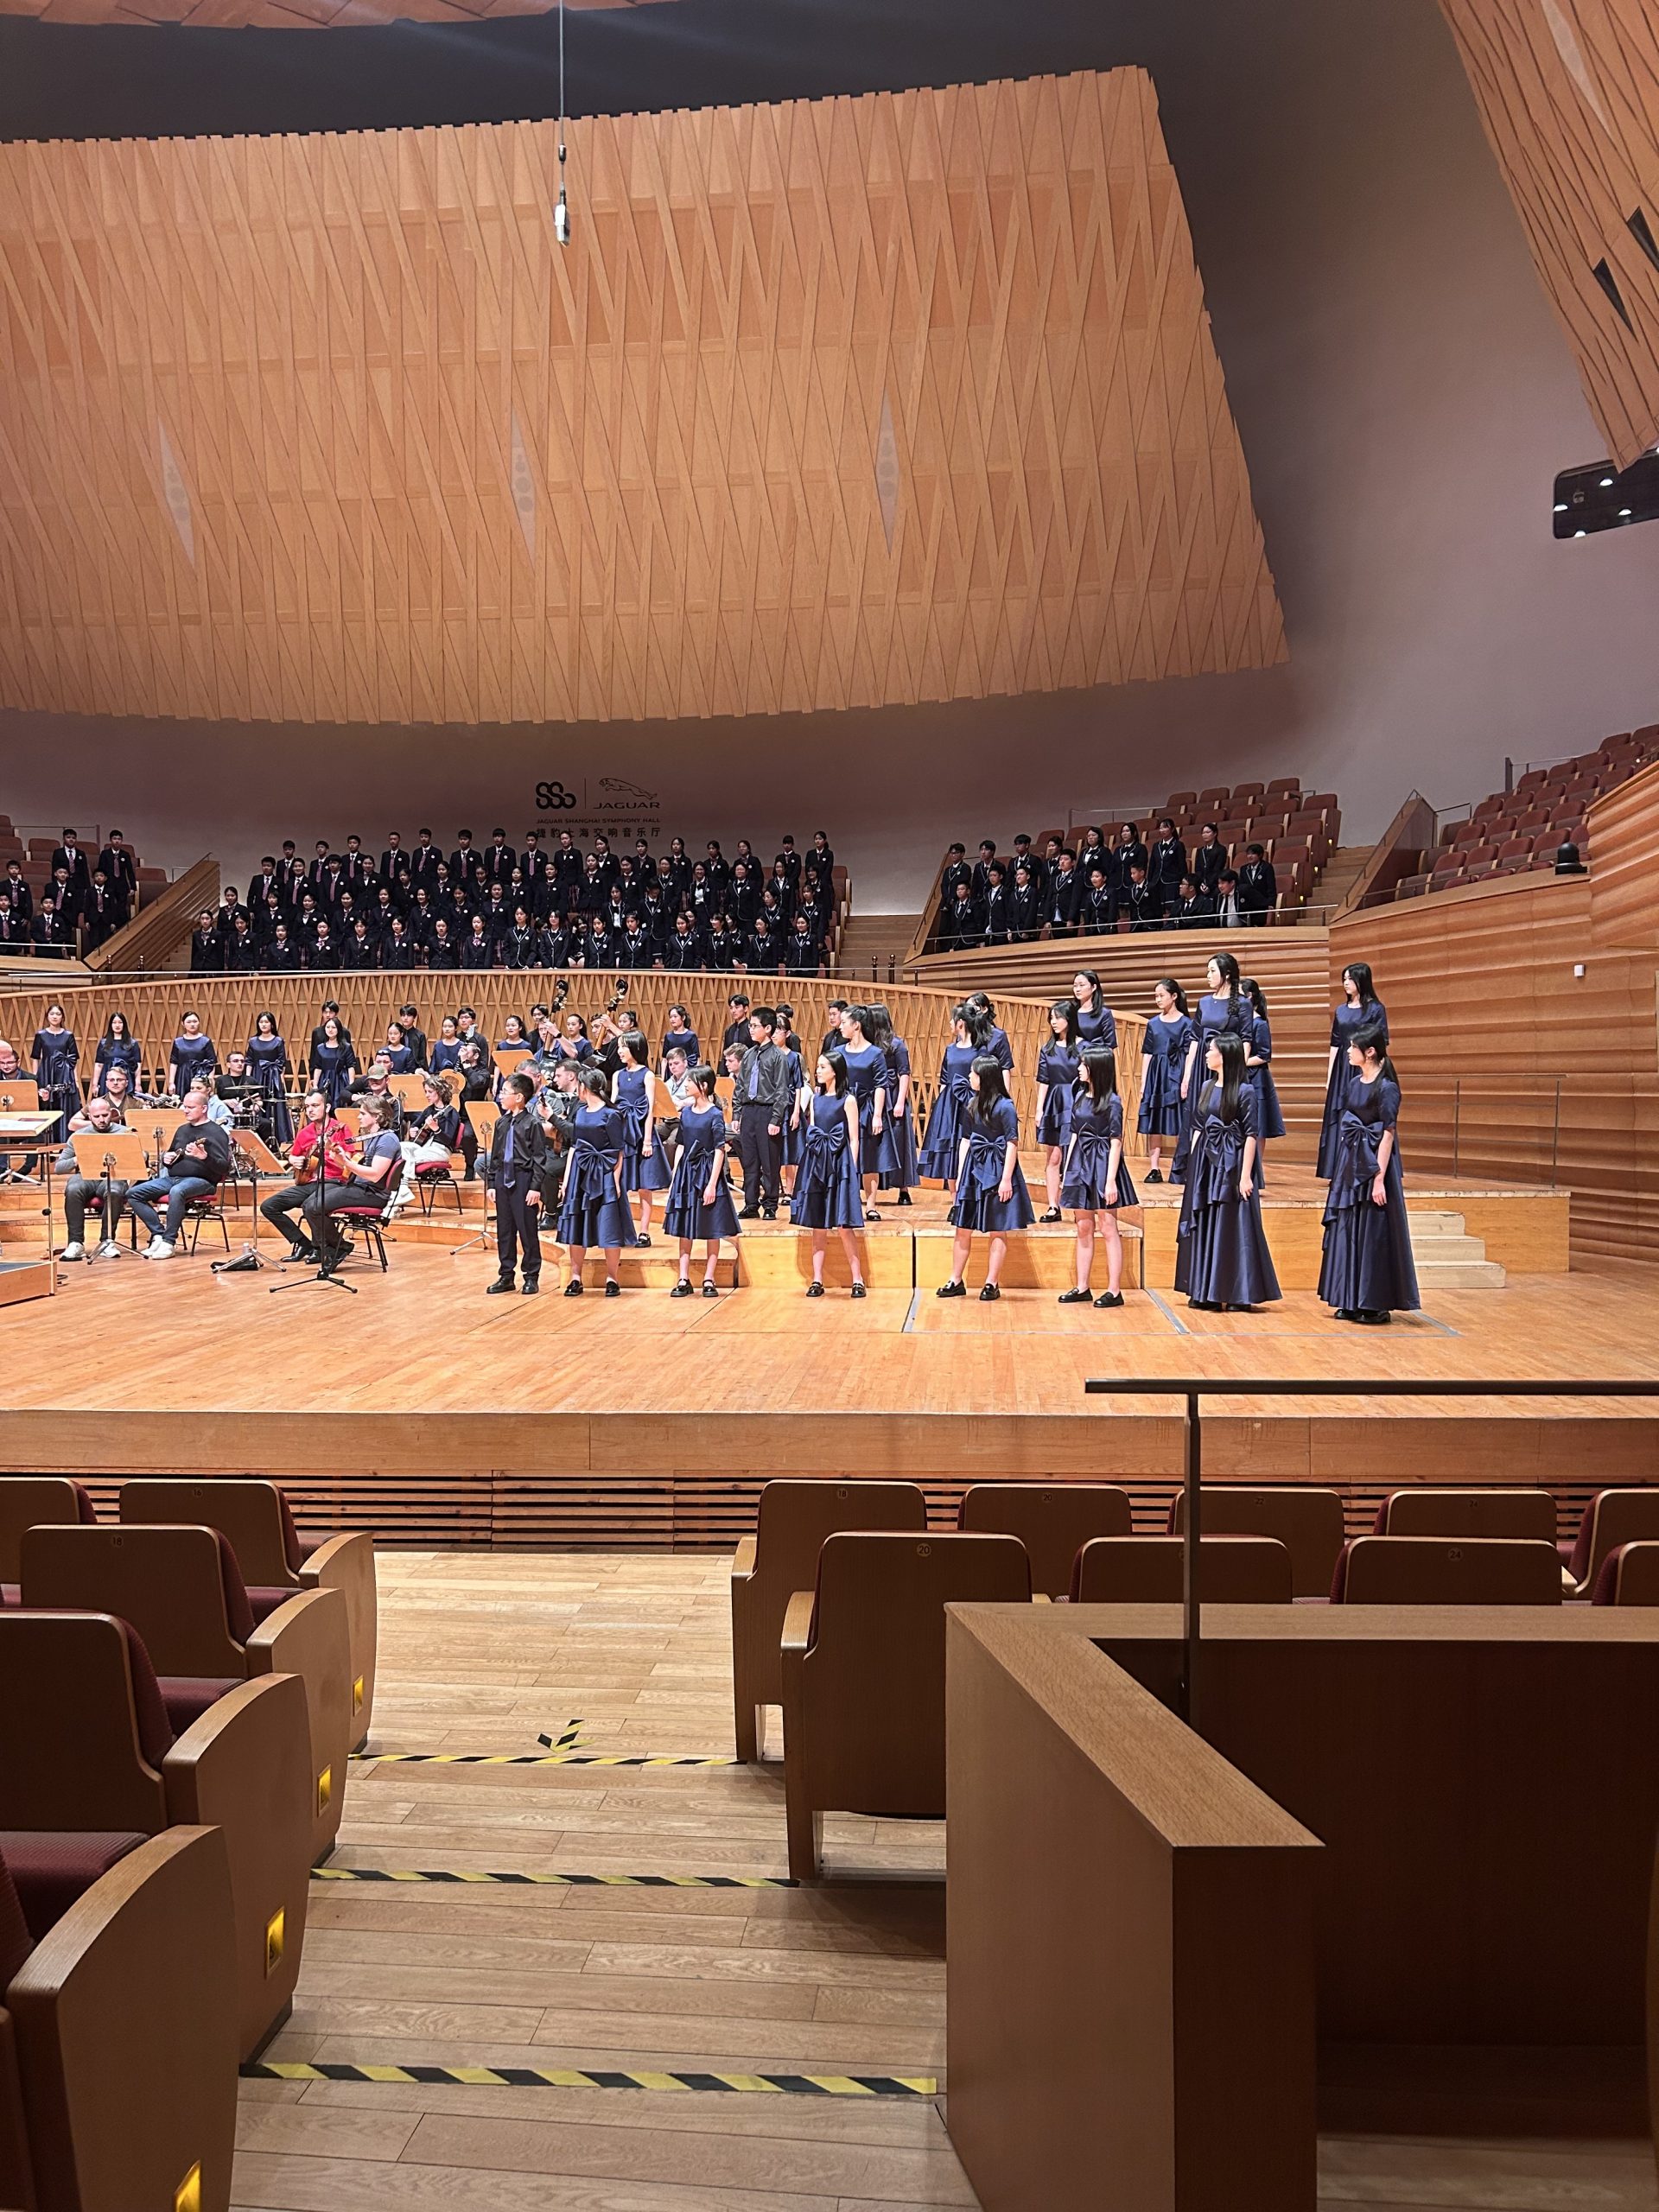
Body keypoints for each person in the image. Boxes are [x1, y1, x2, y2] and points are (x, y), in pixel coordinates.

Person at [1318, 1024, 1420, 1325]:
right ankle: (1350, 1298)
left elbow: (1388, 1134)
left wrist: (1378, 1179)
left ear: (1370, 1052)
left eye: (1353, 1047)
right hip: (1352, 1161)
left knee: (1374, 1232)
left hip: (1375, 1164)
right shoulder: (1353, 1082)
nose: (1348, 1051)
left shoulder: (1387, 1088)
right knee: (1349, 1228)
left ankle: (1374, 1303)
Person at [1173, 1035, 1281, 1312]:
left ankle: (1237, 1293)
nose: (1206, 1055)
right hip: (1207, 1163)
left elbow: (1251, 1135)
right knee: (1205, 1222)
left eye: (1211, 1051)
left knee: (1233, 1227)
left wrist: (1245, 1176)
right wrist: (1192, 1169)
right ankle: (1204, 1290)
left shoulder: (1245, 1091)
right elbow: (1198, 1129)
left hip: (1232, 1164)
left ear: (1225, 1056)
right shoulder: (1206, 1086)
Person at [938, 1057, 1033, 1300]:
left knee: (997, 1229)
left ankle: (992, 1283)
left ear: (985, 1077)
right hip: (973, 1169)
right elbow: (966, 1140)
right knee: (962, 1227)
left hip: (999, 1168)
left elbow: (1012, 1144)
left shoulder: (1006, 1107)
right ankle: (955, 1280)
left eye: (973, 1073)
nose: (969, 1077)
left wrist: (1006, 1179)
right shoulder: (971, 1104)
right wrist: (960, 1175)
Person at [1057, 1046, 1136, 1308]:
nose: (1079, 1068)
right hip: (1080, 1163)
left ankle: (1114, 1290)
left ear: (1097, 1068)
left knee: (1108, 1226)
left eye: (1084, 1064)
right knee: (1083, 1226)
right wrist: (1066, 1171)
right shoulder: (1080, 1094)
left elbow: (1116, 1142)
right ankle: (1082, 1286)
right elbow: (1075, 1135)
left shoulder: (1113, 1102)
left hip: (1103, 1164)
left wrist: (1110, 1180)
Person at [789, 1049, 867, 1297]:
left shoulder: (848, 1100)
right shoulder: (815, 1099)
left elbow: (854, 1139)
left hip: (839, 1164)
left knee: (844, 1226)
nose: (818, 1071)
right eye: (818, 1066)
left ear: (835, 1070)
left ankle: (858, 1279)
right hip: (817, 1162)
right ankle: (817, 1279)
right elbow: (813, 1131)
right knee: (818, 1224)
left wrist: (851, 1170)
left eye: (823, 1067)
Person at [124, 1086, 233, 1259]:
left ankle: (169, 1242)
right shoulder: (182, 1130)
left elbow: (224, 1168)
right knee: (133, 1193)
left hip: (203, 1181)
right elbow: (172, 1154)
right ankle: (158, 1235)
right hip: (174, 1177)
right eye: (184, 1106)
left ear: (204, 1108)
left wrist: (204, 1157)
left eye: (190, 1107)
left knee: (177, 1191)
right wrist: (166, 1159)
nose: (185, 1110)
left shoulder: (216, 1132)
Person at [662, 1065, 741, 1296]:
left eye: (690, 1081)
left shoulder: (715, 1114)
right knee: (685, 1228)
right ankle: (683, 1278)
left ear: (703, 1086)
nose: (686, 1084)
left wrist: (712, 1184)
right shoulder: (686, 1113)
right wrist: (675, 1177)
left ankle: (709, 1278)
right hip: (687, 1173)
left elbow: (719, 1150)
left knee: (712, 1226)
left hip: (707, 1172)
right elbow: (681, 1145)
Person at [557, 1067, 638, 1294]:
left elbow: (619, 1151)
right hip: (580, 1173)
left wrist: (616, 1180)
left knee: (609, 1226)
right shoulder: (580, 1112)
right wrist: (567, 1178)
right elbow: (575, 1147)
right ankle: (576, 1277)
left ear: (585, 1087)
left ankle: (612, 1278)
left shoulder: (611, 1114)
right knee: (577, 1225)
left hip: (604, 1174)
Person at [260, 1092, 355, 1260]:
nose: (310, 1110)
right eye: (308, 1106)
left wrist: (332, 1151)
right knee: (269, 1206)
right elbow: (293, 1155)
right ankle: (304, 1244)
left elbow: (349, 1162)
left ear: (327, 1107)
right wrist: (293, 1160)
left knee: (310, 1205)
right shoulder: (304, 1132)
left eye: (315, 1106)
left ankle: (328, 1247)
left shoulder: (341, 1129)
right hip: (310, 1182)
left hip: (335, 1181)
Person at [313, 1095, 402, 1272]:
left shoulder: (387, 1140)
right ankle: (335, 1248)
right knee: (310, 1203)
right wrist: (340, 1158)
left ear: (377, 1116)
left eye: (363, 1113)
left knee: (315, 1207)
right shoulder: (371, 1136)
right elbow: (357, 1168)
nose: (358, 1117)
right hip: (360, 1188)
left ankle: (337, 1249)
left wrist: (346, 1163)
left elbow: (375, 1175)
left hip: (373, 1194)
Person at [1318, 963, 1388, 1179]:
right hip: (1342, 1068)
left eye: (1350, 979)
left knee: (1363, 1112)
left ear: (1362, 980)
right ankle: (1337, 1168)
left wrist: (1377, 1076)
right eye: (1344, 979)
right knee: (1340, 1113)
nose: (1346, 983)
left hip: (1364, 1066)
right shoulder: (1340, 1010)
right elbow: (1335, 1044)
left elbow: (1381, 1045)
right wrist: (1330, 1076)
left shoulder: (1376, 1009)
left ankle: (1365, 1166)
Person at [484, 1071, 548, 1296]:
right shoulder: (501, 1122)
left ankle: (531, 1276)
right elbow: (496, 1156)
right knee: (505, 1230)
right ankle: (506, 1275)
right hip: (503, 1179)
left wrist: (535, 1187)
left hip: (523, 1179)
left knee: (527, 1230)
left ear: (519, 1097)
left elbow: (539, 1159)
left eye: (505, 1092)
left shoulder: (532, 1124)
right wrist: (492, 1183)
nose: (501, 1096)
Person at [732, 1007, 792, 1220]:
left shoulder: (778, 1056)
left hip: (767, 1112)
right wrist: (737, 1114)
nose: (751, 1029)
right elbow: (740, 1086)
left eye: (755, 1026)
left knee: (769, 1162)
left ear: (767, 1028)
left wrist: (776, 1118)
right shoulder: (749, 1055)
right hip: (749, 1111)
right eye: (750, 1025)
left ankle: (770, 1204)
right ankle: (751, 1204)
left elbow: (782, 1091)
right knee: (749, 1161)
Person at [55, 1090, 130, 1261]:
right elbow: (59, 1167)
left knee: (114, 1191)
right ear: (90, 1117)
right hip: (86, 1176)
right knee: (73, 1188)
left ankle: (107, 1241)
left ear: (111, 1113)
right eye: (97, 1116)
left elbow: (142, 1156)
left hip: (114, 1176)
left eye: (105, 1115)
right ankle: (76, 1243)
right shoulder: (78, 1135)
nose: (101, 1119)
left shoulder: (125, 1132)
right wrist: (77, 1159)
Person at [613, 1030, 671, 1244]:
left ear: (635, 1048)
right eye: (619, 1047)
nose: (619, 1051)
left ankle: (644, 1232)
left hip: (641, 1134)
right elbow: (614, 1107)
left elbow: (648, 1111)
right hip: (623, 1135)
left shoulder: (647, 1075)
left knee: (644, 1186)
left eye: (623, 1047)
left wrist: (647, 1141)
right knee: (619, 1183)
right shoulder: (617, 1075)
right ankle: (621, 1229)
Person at [918, 1000, 983, 1191]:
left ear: (960, 1023)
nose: (949, 1023)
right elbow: (944, 1079)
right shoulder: (950, 1049)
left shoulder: (980, 1050)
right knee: (950, 1150)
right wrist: (941, 1110)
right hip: (949, 1103)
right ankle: (954, 1198)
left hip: (971, 1102)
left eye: (952, 1019)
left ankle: (967, 1195)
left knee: (968, 1145)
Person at [1138, 979, 1196, 1183]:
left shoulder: (1187, 1023)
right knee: (1154, 1122)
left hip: (1176, 1075)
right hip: (1157, 1077)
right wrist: (1144, 1083)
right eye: (1156, 996)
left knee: (1179, 1121)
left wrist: (1186, 1079)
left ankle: (1181, 1167)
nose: (1158, 999)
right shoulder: (1153, 1023)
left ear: (1174, 996)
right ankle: (1154, 1168)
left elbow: (1189, 1054)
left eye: (1161, 995)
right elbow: (1148, 1054)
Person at [836, 1004, 888, 1223]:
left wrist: (877, 1115)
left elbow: (881, 1085)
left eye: (844, 1022)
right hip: (843, 1107)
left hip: (866, 1109)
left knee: (869, 1158)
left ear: (856, 1025)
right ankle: (845, 1202)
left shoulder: (875, 1053)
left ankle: (871, 1206)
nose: (840, 1026)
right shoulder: (839, 1052)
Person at [1034, 998, 1081, 1221]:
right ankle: (1053, 1206)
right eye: (1051, 1018)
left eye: (1058, 1017)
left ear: (1069, 1019)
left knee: (1075, 1157)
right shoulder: (1047, 1049)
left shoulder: (1084, 1047)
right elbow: (1044, 1081)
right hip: (1054, 1103)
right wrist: (1039, 1110)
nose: (1053, 1022)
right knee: (1053, 1158)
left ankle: (1079, 1206)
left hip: (1076, 1102)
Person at [868, 1003, 914, 1209]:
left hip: (893, 1097)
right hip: (875, 1097)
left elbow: (904, 1073)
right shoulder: (868, 1044)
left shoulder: (897, 1044)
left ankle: (903, 1189)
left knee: (899, 1143)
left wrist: (900, 1102)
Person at [1240, 976, 1286, 1185]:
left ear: (1249, 996)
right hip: (1242, 1076)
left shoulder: (1259, 1023)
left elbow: (1264, 1055)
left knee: (1257, 1127)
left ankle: (1255, 1172)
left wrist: (1240, 1062)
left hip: (1256, 1078)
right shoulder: (1241, 1022)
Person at [396, 1073, 462, 1208]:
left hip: (441, 1150)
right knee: (400, 1147)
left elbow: (448, 1140)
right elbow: (415, 1125)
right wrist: (413, 1130)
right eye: (425, 1092)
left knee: (404, 1159)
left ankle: (403, 1188)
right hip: (424, 1147)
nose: (427, 1095)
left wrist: (436, 1129)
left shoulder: (451, 1113)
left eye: (430, 1092)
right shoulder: (429, 1110)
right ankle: (401, 1190)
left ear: (440, 1092)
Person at [32, 1002, 81, 1119]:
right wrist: (35, 1078)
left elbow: (73, 1059)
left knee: (64, 1103)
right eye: (52, 1014)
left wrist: (76, 1080)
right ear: (47, 1016)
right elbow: (35, 1058)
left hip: (64, 1073)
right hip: (46, 1072)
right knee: (46, 1102)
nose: (55, 1016)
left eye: (58, 1014)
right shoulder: (40, 1035)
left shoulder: (68, 1035)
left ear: (62, 1017)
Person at [168, 1012, 218, 1102]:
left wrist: (210, 1081)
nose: (192, 1024)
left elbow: (211, 1063)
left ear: (199, 1023)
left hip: (200, 1075)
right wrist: (171, 1083)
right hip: (182, 1076)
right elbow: (174, 1063)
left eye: (195, 1021)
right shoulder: (178, 1042)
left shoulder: (206, 1041)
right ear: (183, 1024)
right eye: (189, 1022)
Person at [92, 1012, 143, 1096]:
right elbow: (98, 1065)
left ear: (124, 1025)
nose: (117, 1025)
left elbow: (137, 1065)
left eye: (120, 1022)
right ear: (111, 1025)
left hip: (126, 1079)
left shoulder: (133, 1043)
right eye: (114, 1022)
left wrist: (138, 1084)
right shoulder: (103, 1043)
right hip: (108, 1079)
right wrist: (95, 1085)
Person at [1236, 842, 1278, 925]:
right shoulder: (1244, 869)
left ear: (1260, 855)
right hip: (1248, 904)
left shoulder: (1267, 867)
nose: (1250, 856)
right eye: (1248, 854)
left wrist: (1271, 904)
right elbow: (1242, 886)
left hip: (1262, 904)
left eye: (1253, 854)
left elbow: (1271, 887)